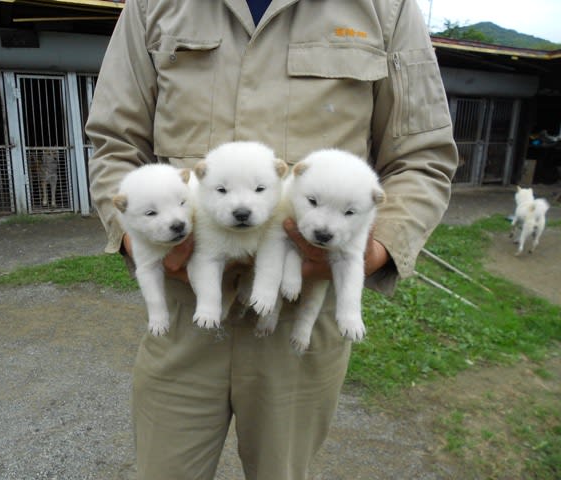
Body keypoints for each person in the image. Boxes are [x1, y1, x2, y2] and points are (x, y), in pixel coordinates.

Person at [86, 1, 458, 479]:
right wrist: (141, 241)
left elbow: (421, 158)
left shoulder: (386, 8)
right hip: (186, 308)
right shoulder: (152, 6)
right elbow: (114, 143)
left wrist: (371, 249)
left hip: (300, 317)